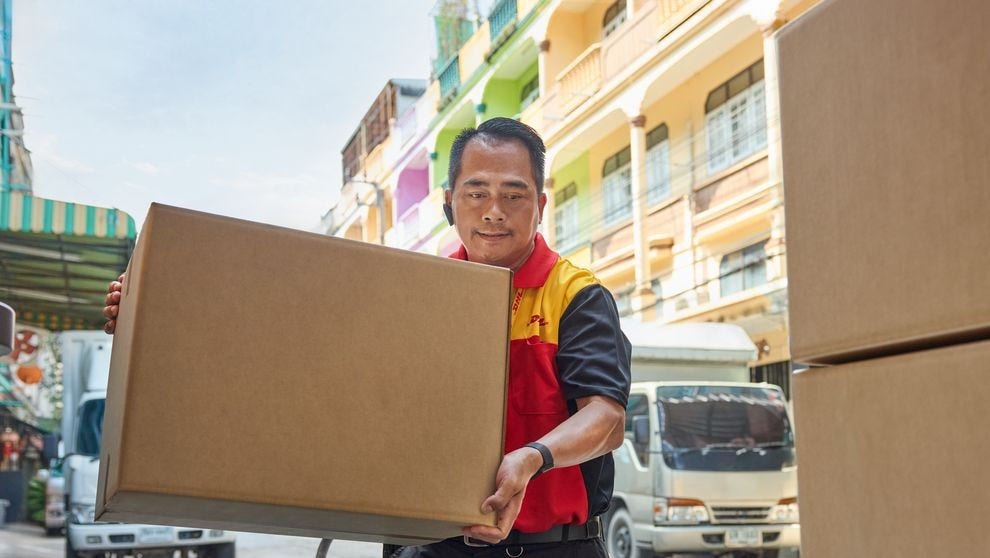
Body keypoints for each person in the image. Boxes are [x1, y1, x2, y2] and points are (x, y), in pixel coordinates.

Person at [103, 117, 632, 557]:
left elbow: (605, 421)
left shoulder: (575, 296)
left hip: (548, 549)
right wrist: (154, 314)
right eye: (477, 192)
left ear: (540, 204)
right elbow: (294, 350)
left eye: (514, 195)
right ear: (450, 203)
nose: (494, 209)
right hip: (430, 546)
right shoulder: (420, 293)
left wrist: (533, 457)